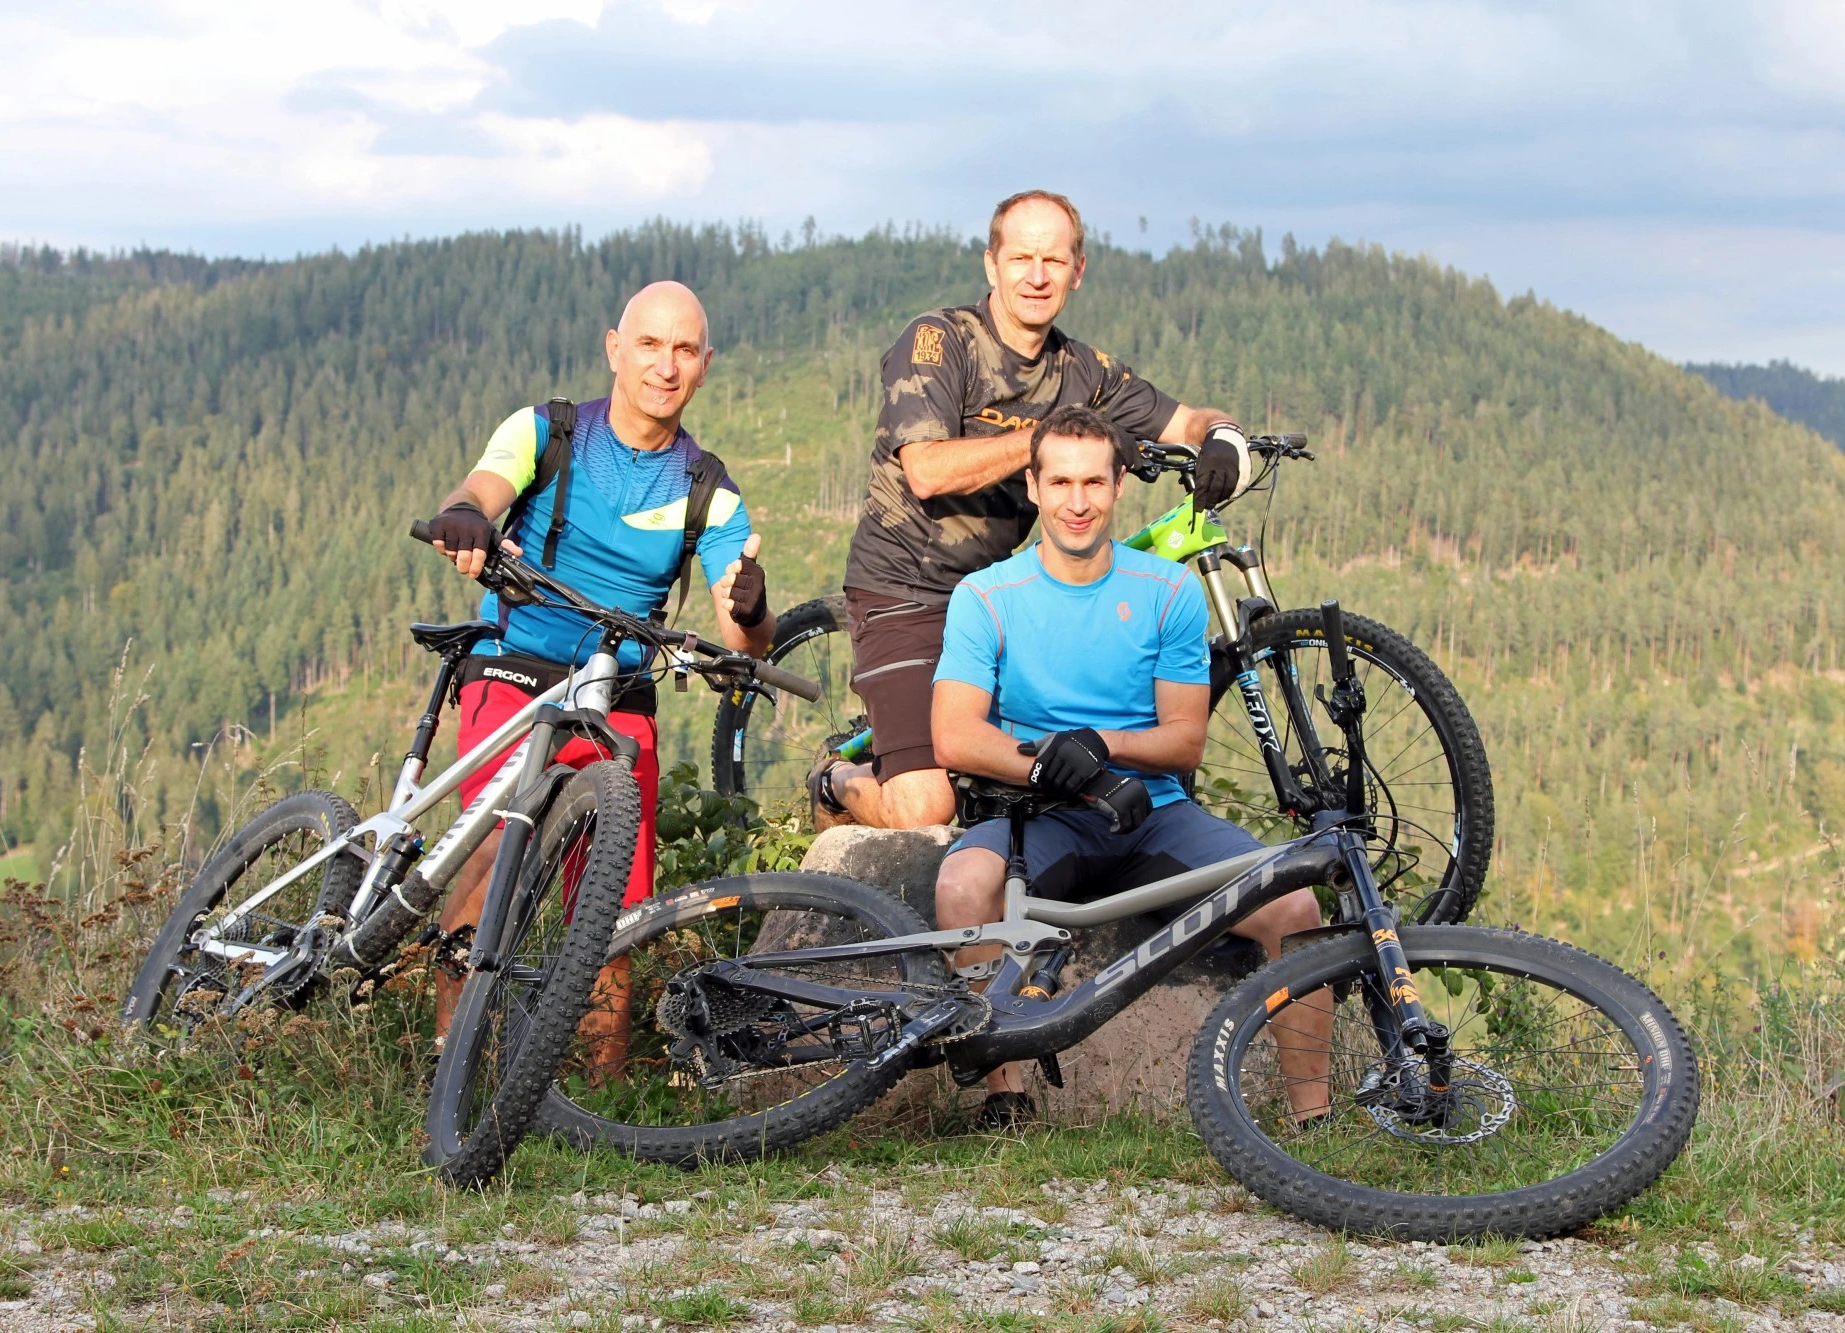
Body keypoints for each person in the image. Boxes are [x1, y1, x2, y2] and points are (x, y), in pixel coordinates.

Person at [928, 404, 1326, 1129]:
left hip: (1152, 816)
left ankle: (1317, 1119)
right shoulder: (985, 596)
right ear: (1035, 486)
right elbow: (955, 737)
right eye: (1060, 482)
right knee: (962, 886)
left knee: (1296, 906)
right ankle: (1006, 1096)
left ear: (1118, 486)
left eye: (1093, 482)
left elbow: (1183, 740)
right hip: (1037, 815)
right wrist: (1056, 763)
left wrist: (1103, 746)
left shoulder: (1165, 592)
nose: (1077, 502)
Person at [818, 189, 1255, 830]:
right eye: (1021, 256)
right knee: (929, 809)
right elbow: (927, 468)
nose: (1037, 274)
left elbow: (1187, 419)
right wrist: (1047, 437)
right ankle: (837, 782)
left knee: (1023, 776)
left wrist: (1224, 437)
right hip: (903, 591)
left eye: (1054, 259)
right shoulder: (940, 342)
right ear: (991, 264)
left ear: (1078, 272)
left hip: (1002, 595)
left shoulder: (1084, 371)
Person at [423, 279, 774, 1039]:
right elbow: (483, 488)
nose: (665, 365)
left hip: (619, 698)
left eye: (684, 349)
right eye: (649, 343)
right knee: (491, 855)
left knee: (616, 908)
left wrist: (749, 608)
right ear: (615, 349)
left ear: (705, 364)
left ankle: (601, 1100)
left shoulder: (706, 490)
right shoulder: (546, 432)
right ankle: (451, 1058)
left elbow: (741, 637)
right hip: (517, 667)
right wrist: (465, 517)